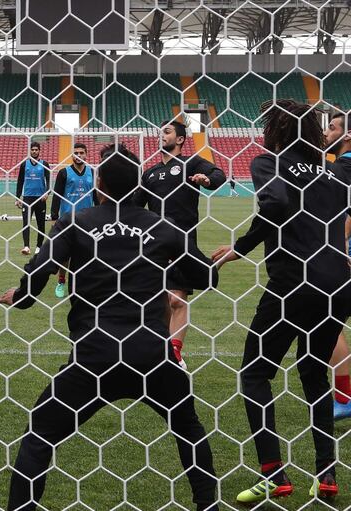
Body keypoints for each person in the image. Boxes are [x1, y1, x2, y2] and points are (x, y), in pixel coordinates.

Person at [0, 143, 218, 511]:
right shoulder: (161, 225)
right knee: (190, 430)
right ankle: (207, 505)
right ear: (139, 186)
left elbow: (40, 269)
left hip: (94, 358)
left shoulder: (77, 221)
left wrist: (21, 297)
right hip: (152, 355)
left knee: (39, 436)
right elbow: (205, 276)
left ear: (98, 183)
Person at [212, 100, 350, 504]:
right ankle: (326, 475)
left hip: (294, 283)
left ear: (277, 131)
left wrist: (241, 247)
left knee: (255, 375)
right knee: (312, 373)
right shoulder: (334, 171)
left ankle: (273, 473)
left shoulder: (269, 163)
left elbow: (273, 204)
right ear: (313, 130)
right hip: (338, 283)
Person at [133, 120, 226, 369]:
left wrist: (206, 180)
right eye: (159, 132)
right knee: (161, 301)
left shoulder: (191, 163)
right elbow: (134, 206)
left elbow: (219, 175)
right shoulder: (149, 173)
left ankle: (175, 354)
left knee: (176, 299)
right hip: (153, 246)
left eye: (167, 132)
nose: (161, 136)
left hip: (183, 243)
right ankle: (162, 348)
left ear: (181, 139)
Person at [322, 111, 351, 421]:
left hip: (344, 256)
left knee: (328, 324)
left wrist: (339, 247)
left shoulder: (344, 165)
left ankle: (344, 398)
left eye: (331, 128)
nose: (326, 133)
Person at [49, 142, 95, 299]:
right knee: (65, 256)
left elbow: (96, 195)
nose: (79, 155)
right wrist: (54, 216)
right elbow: (57, 195)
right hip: (68, 219)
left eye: (82, 152)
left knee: (87, 253)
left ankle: (84, 283)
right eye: (76, 153)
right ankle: (61, 281)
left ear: (86, 154)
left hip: (87, 219)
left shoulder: (92, 172)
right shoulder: (64, 173)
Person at [15, 141, 50, 256]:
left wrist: (47, 193)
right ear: (30, 151)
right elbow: (20, 181)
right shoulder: (24, 164)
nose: (34, 151)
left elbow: (49, 180)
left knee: (41, 224)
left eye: (36, 149)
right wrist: (17, 197)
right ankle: (26, 246)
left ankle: (39, 247)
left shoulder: (44, 164)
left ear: (39, 151)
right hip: (27, 198)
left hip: (40, 199)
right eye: (32, 149)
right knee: (26, 223)